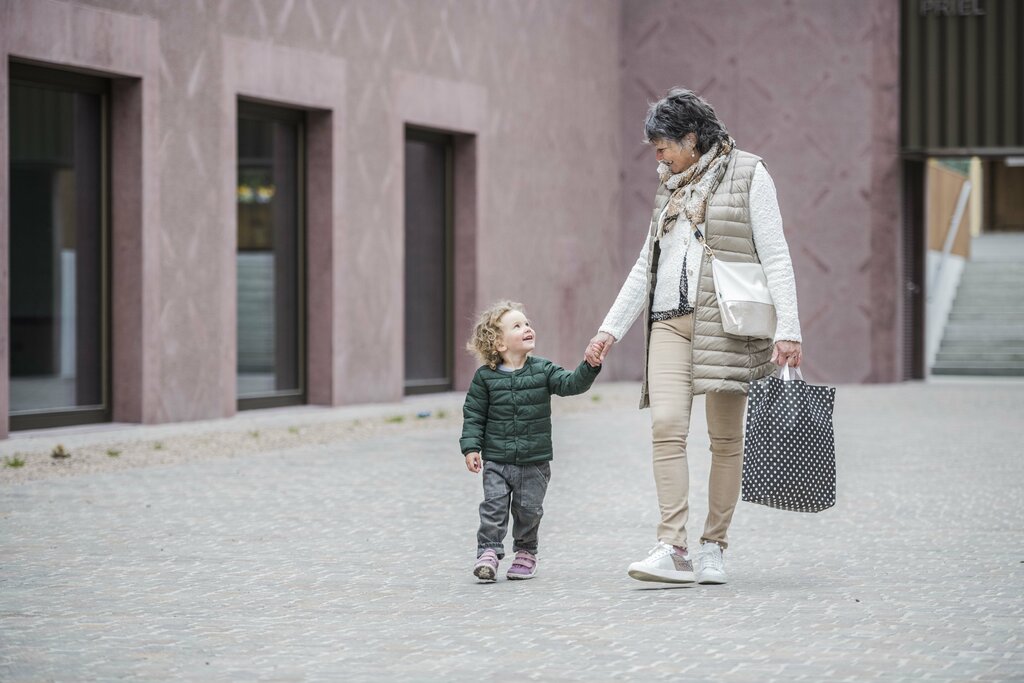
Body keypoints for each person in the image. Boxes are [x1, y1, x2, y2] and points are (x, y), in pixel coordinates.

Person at [585, 88, 803, 586]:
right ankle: (672, 546)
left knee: (725, 439)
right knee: (666, 425)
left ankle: (713, 546)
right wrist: (609, 329)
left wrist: (789, 328)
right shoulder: (668, 186)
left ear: (690, 137)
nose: (656, 155)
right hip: (669, 321)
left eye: (662, 145)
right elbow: (648, 263)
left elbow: (776, 254)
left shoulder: (750, 173)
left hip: (726, 324)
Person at [462, 300, 601, 582]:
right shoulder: (485, 378)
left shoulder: (543, 370)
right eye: (517, 326)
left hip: (534, 461)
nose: (527, 328)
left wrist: (589, 365)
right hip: (497, 459)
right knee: (493, 506)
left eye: (527, 323)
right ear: (498, 343)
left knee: (529, 511)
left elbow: (571, 383)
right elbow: (474, 414)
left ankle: (526, 552)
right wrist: (471, 447)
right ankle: (488, 552)